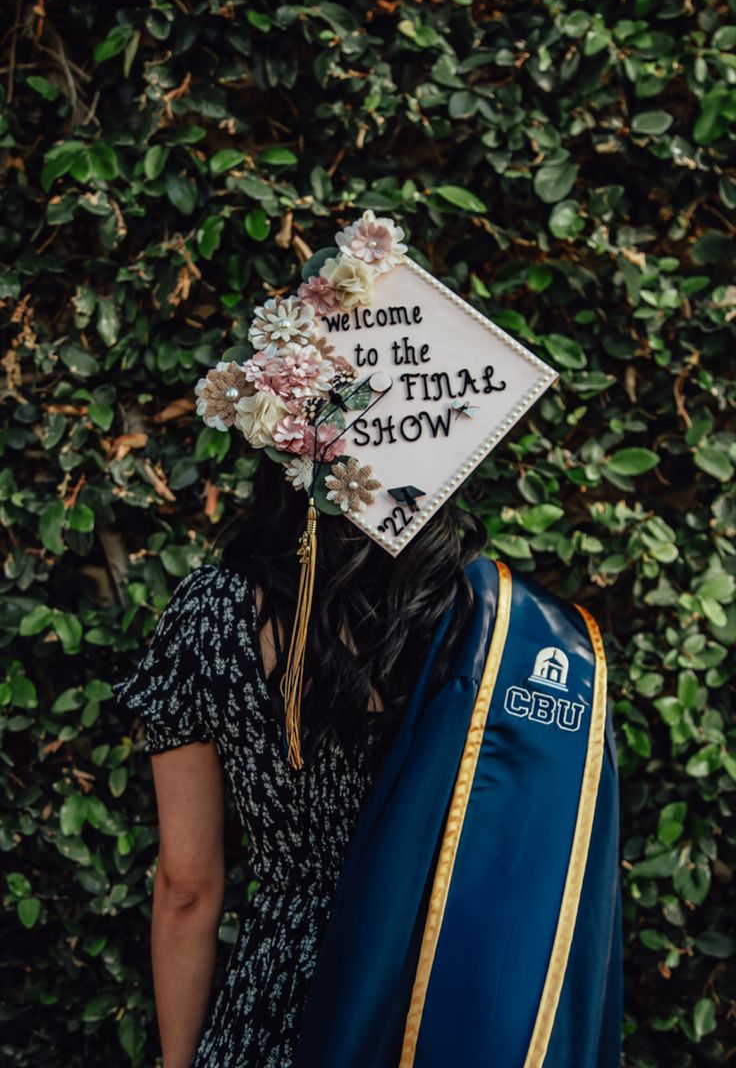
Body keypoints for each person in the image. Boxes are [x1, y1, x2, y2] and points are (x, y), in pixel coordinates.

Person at [112, 211, 623, 1067]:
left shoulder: (210, 612)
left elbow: (190, 887)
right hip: (435, 1004)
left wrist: (176, 1061)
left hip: (276, 1005)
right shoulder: (490, 625)